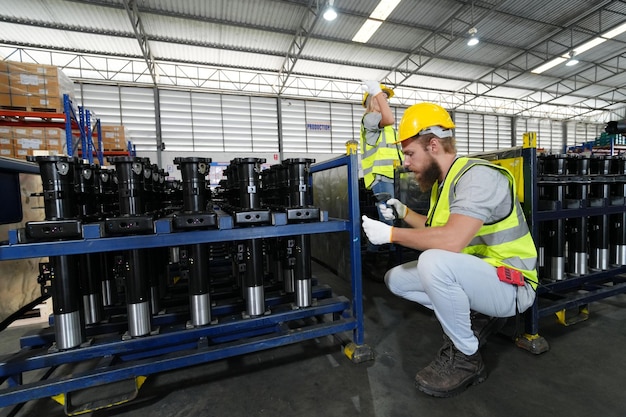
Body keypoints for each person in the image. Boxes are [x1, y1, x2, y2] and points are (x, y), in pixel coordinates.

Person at [361, 102, 538, 397]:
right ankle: (472, 317)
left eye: (410, 153)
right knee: (395, 279)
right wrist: (403, 212)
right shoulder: (444, 183)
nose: (406, 162)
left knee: (434, 263)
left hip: (512, 284)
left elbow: (452, 240)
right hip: (482, 277)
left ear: (433, 146)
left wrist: (391, 234)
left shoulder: (477, 177)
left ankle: (466, 357)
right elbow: (435, 229)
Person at [360, 80, 403, 278]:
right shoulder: (369, 119)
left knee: (395, 219)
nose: (385, 99)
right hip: (381, 177)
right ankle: (373, 261)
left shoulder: (387, 126)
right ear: (372, 100)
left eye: (386, 96)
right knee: (387, 220)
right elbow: (389, 118)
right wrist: (377, 92)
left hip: (395, 176)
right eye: (381, 96)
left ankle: (392, 260)